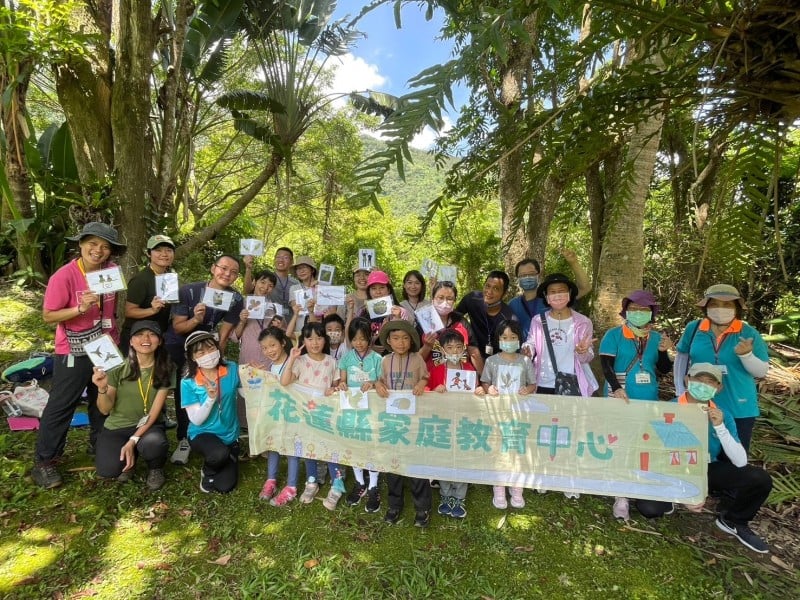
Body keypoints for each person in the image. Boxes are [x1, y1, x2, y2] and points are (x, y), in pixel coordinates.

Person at [635, 363, 772, 554]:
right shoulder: (668, 410)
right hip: (673, 469)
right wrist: (685, 494)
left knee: (759, 479)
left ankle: (734, 521)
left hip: (708, 468)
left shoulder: (723, 414)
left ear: (718, 388)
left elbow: (740, 461)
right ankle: (672, 498)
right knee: (649, 508)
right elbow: (658, 454)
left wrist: (719, 427)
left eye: (710, 382)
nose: (703, 385)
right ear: (687, 380)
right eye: (698, 380)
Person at [32, 222, 127, 489]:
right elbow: (49, 315)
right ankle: (45, 461)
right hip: (73, 348)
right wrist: (78, 307)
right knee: (63, 404)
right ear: (81, 244)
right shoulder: (64, 276)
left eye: (105, 246)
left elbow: (112, 308)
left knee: (105, 398)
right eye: (93, 244)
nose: (98, 250)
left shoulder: (110, 273)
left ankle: (101, 447)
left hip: (107, 345)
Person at [598, 290, 673, 520]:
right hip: (619, 397)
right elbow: (606, 365)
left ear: (652, 313)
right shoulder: (614, 335)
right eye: (633, 309)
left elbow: (663, 370)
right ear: (625, 311)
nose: (638, 314)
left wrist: (663, 352)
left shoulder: (657, 338)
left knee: (642, 444)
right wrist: (617, 388)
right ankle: (620, 496)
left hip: (648, 398)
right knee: (620, 443)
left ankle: (640, 484)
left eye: (644, 310)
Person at [164, 255, 244, 466]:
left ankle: (218, 431)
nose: (227, 274)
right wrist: (197, 319)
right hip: (178, 344)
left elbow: (225, 334)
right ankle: (184, 438)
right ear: (212, 267)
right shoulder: (189, 291)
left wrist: (218, 357)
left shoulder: (235, 298)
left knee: (212, 386)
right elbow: (178, 327)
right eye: (223, 268)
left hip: (208, 346)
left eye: (233, 272)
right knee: (184, 390)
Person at [673, 284, 769, 453]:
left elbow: (761, 372)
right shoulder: (694, 328)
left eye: (727, 305)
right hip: (698, 403)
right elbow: (682, 359)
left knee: (733, 458)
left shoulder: (749, 333)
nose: (720, 309)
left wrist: (746, 355)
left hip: (739, 406)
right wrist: (681, 391)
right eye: (714, 304)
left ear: (736, 308)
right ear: (706, 307)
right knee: (697, 454)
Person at [92, 320, 173, 491]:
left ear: (160, 340)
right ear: (130, 341)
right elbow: (105, 409)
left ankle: (155, 468)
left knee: (154, 444)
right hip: (118, 425)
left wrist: (133, 439)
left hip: (148, 426)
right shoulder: (117, 367)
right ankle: (132, 457)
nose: (146, 339)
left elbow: (154, 412)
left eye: (152, 334)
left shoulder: (167, 367)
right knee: (108, 470)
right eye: (139, 334)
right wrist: (101, 388)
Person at [375, 320, 431, 527]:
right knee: (393, 463)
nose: (400, 343)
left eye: (405, 338)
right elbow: (379, 381)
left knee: (417, 464)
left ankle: (422, 507)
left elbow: (426, 377)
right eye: (396, 338)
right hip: (392, 421)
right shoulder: (384, 361)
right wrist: (378, 385)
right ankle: (394, 504)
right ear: (388, 341)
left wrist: (422, 383)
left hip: (414, 420)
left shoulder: (417, 359)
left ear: (411, 341)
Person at [475, 320, 536, 510]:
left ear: (519, 339)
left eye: (513, 337)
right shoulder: (492, 361)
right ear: (498, 339)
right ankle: (499, 487)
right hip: (497, 414)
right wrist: (489, 388)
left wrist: (528, 389)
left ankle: (517, 487)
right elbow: (485, 381)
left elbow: (533, 384)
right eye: (504, 337)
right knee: (498, 450)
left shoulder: (525, 361)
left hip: (519, 414)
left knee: (517, 448)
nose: (508, 340)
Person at [280, 322, 339, 505]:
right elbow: (284, 382)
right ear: (303, 340)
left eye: (319, 338)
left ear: (325, 339)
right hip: (304, 414)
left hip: (325, 414)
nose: (315, 343)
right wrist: (291, 359)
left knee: (330, 447)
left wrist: (333, 389)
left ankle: (337, 483)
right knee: (309, 447)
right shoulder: (300, 361)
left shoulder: (332, 361)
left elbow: (335, 386)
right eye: (310, 338)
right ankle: (311, 481)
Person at [181, 331, 240, 493]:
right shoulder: (188, 382)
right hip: (202, 433)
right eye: (201, 352)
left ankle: (230, 453)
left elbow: (248, 391)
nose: (208, 354)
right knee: (218, 454)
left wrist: (255, 375)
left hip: (229, 433)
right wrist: (210, 398)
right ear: (193, 357)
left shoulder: (232, 369)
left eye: (211, 348)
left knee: (225, 486)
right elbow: (196, 420)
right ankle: (208, 471)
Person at [426, 328, 476, 519]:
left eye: (458, 347)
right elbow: (426, 391)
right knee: (444, 457)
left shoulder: (469, 369)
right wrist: (434, 390)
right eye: (450, 347)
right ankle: (446, 494)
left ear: (463, 348)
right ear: (442, 349)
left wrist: (478, 392)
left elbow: (476, 392)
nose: (454, 351)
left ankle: (459, 497)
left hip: (463, 421)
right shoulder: (436, 369)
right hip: (442, 421)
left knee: (460, 456)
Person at [523, 273, 598, 397]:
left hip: (572, 382)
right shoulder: (537, 320)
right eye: (552, 292)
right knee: (544, 416)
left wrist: (582, 351)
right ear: (546, 296)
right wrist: (527, 350)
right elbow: (531, 343)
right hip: (543, 382)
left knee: (569, 416)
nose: (557, 295)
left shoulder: (583, 322)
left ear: (569, 293)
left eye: (561, 291)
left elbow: (587, 357)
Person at [339, 317, 384, 513]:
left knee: (371, 445)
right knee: (354, 445)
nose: (359, 342)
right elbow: (342, 380)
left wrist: (373, 384)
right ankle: (359, 483)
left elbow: (383, 382)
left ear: (370, 338)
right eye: (355, 339)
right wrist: (341, 384)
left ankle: (373, 485)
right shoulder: (346, 358)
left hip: (371, 412)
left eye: (363, 338)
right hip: (351, 410)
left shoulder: (377, 359)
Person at [256, 326, 301, 506]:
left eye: (272, 345)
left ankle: (291, 486)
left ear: (283, 343)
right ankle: (271, 480)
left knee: (291, 448)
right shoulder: (270, 366)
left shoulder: (295, 362)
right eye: (264, 348)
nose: (269, 351)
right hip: (276, 414)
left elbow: (290, 383)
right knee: (273, 444)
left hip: (293, 415)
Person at [231, 269, 277, 431]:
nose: (265, 287)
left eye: (270, 285)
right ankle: (245, 428)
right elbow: (234, 335)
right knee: (246, 389)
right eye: (262, 282)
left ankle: (266, 430)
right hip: (248, 354)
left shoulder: (274, 307)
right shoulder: (242, 304)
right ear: (254, 282)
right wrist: (242, 320)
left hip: (269, 357)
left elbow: (282, 334)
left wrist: (278, 327)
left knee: (267, 392)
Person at [508, 249, 591, 339]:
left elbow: (585, 288)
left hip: (552, 350)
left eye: (531, 274)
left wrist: (574, 263)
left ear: (538, 275)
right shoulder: (513, 304)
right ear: (518, 278)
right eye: (523, 275)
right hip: (524, 351)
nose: (527, 277)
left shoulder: (553, 298)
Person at [120, 234, 176, 353]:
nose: (164, 254)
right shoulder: (141, 280)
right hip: (137, 339)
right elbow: (128, 311)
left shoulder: (169, 277)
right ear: (149, 253)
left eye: (169, 250)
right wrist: (152, 310)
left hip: (157, 337)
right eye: (158, 250)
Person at [419, 281, 483, 374]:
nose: (445, 302)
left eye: (449, 298)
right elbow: (415, 359)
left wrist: (484, 381)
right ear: (433, 299)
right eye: (440, 298)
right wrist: (427, 346)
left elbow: (473, 352)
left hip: (461, 377)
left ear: (454, 301)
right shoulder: (423, 322)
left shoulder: (461, 321)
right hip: (432, 380)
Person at [455, 270, 517, 359]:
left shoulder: (509, 318)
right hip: (470, 354)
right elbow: (453, 319)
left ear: (504, 293)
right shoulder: (472, 299)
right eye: (487, 286)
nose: (489, 291)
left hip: (497, 360)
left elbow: (511, 351)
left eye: (496, 288)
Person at [347, 270, 412, 354]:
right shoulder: (363, 311)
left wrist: (397, 318)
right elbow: (355, 337)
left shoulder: (400, 311)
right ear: (369, 291)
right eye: (373, 288)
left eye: (382, 287)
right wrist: (369, 347)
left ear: (388, 289)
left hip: (394, 359)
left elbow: (408, 338)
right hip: (370, 360)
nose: (378, 292)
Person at [288, 255, 318, 334]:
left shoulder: (321, 288)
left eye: (304, 267)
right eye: (298, 269)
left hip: (319, 330)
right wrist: (309, 289)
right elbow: (297, 309)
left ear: (312, 270)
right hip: (300, 331)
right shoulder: (294, 288)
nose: (301, 271)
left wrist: (316, 288)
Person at [268, 247, 299, 316]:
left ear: (292, 262)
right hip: (270, 322)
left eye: (285, 258)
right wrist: (248, 269)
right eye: (278, 257)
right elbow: (248, 291)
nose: (281, 260)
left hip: (291, 323)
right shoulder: (266, 279)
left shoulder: (296, 283)